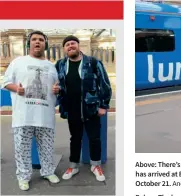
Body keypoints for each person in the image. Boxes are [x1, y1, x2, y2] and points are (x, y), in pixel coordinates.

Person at [2, 30, 60, 191]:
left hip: (45, 116)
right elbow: (5, 82)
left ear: (45, 44)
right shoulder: (18, 62)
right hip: (23, 116)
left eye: (41, 40)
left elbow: (57, 87)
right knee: (22, 149)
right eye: (34, 39)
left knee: (47, 148)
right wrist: (16, 88)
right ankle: (23, 176)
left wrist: (57, 90)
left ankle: (47, 171)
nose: (37, 42)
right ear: (29, 43)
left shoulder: (51, 66)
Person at [53, 35, 112, 182]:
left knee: (94, 138)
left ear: (78, 46)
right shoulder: (60, 64)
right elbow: (55, 83)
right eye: (67, 45)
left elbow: (104, 83)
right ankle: (73, 166)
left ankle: (95, 165)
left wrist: (103, 105)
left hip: (91, 108)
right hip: (71, 108)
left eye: (73, 43)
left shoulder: (92, 62)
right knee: (75, 138)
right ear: (64, 49)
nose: (70, 46)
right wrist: (56, 90)